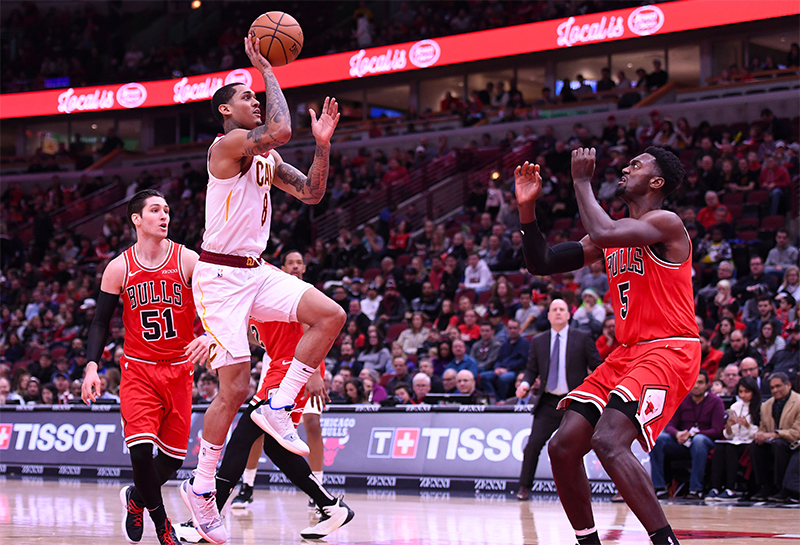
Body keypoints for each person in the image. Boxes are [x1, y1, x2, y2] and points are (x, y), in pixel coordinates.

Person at [182, 36, 346, 545]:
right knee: (233, 389)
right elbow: (280, 129)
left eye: (256, 94)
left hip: (256, 270)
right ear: (224, 111)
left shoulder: (266, 159)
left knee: (330, 314)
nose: (255, 100)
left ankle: (279, 406)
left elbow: (312, 193)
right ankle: (201, 487)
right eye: (246, 96)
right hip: (219, 278)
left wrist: (322, 146)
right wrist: (268, 70)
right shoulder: (226, 146)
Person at [515, 145, 699, 545]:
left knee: (608, 440)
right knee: (563, 447)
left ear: (656, 182)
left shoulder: (665, 223)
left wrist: (581, 181)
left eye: (636, 165)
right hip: (627, 353)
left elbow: (603, 232)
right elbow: (541, 262)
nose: (625, 169)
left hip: (669, 348)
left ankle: (665, 541)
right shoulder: (610, 236)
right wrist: (527, 210)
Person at [80, 189, 211, 545]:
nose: (164, 215)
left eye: (166, 209)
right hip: (139, 370)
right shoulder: (119, 267)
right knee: (140, 453)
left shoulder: (188, 259)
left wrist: (210, 335)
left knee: (171, 461)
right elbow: (100, 322)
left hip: (180, 369)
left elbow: (217, 302)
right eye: (155, 210)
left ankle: (136, 499)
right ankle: (162, 524)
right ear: (136, 219)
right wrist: (91, 367)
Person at [226, 252, 328, 514]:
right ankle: (248, 485)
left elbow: (315, 329)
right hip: (277, 360)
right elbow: (253, 332)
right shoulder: (265, 290)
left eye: (299, 262)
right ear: (283, 267)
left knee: (310, 424)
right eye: (290, 262)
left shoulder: (303, 292)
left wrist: (315, 373)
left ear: (304, 267)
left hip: (305, 361)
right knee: (262, 431)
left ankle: (319, 489)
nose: (295, 266)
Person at [516, 299, 601, 501]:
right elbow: (531, 369)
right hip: (548, 402)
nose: (558, 313)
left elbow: (597, 365)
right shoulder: (539, 341)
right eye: (554, 309)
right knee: (533, 445)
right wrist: (525, 383)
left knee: (583, 448)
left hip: (575, 402)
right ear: (548, 315)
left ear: (569, 314)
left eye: (562, 309)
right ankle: (524, 487)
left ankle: (592, 490)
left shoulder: (582, 338)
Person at [650, 370, 725, 499]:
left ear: (707, 385)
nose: (696, 386)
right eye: (694, 382)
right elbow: (670, 426)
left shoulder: (716, 401)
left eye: (700, 382)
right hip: (683, 442)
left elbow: (717, 430)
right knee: (658, 440)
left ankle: (696, 489)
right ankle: (659, 487)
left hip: (705, 442)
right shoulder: (682, 400)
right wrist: (678, 434)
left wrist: (694, 434)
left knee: (699, 440)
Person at [706, 377, 761, 502]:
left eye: (746, 392)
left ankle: (731, 489)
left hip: (750, 443)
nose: (743, 395)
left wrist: (747, 425)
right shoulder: (735, 406)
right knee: (720, 448)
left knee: (730, 449)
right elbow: (729, 435)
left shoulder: (760, 407)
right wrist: (729, 427)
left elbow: (760, 432)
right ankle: (715, 487)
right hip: (735, 440)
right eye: (741, 392)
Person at [749, 372, 800, 502]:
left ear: (788, 385)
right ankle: (765, 486)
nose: (775, 390)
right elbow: (763, 428)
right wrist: (759, 435)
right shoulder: (766, 405)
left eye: (778, 386)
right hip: (773, 441)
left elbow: (796, 432)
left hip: (792, 443)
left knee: (779, 445)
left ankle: (782, 488)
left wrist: (776, 434)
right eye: (772, 387)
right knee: (756, 446)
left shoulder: (798, 402)